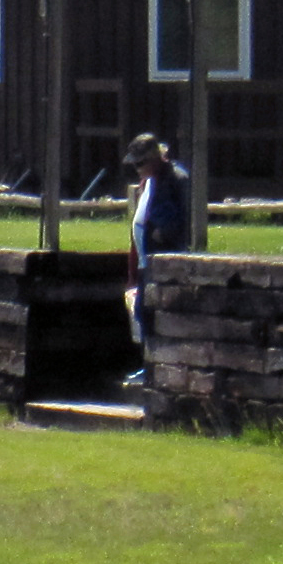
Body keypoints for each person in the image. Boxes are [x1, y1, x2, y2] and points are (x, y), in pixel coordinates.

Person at [123, 132, 190, 385]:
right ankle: (148, 365)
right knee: (142, 314)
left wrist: (162, 235)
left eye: (140, 163)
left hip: (163, 263)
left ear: (154, 159)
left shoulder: (175, 179)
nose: (137, 168)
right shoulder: (148, 182)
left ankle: (156, 368)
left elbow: (178, 222)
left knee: (155, 315)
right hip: (144, 262)